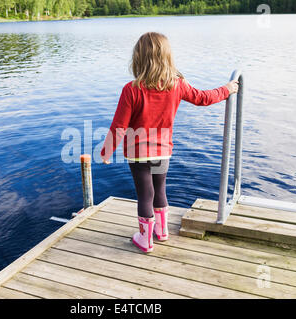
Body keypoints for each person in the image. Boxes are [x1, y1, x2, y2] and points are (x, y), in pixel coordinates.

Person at [100, 32, 239, 253]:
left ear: (139, 58)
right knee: (160, 189)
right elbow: (203, 98)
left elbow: (119, 126)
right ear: (167, 57)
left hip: (138, 154)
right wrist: (227, 89)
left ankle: (145, 240)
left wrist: (106, 152)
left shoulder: (132, 89)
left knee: (145, 194)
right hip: (163, 151)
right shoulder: (177, 85)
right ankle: (162, 232)